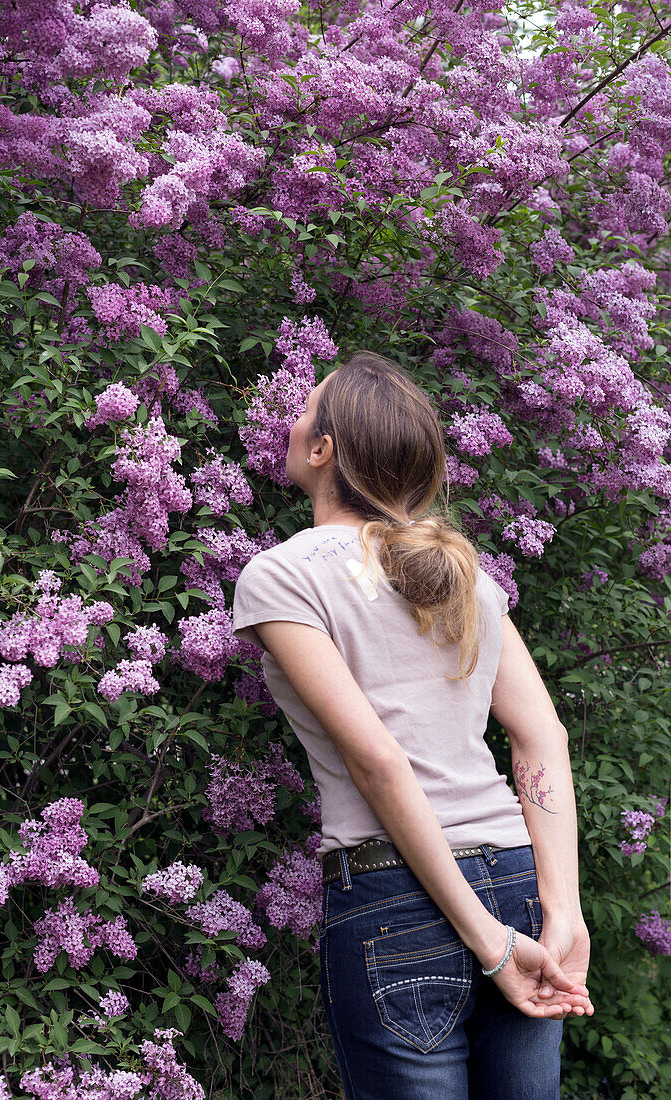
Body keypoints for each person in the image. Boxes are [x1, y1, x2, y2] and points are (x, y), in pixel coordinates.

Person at [231, 351, 593, 1099]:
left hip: (397, 899)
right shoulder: (466, 576)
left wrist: (490, 946)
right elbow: (540, 738)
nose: (293, 421)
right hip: (520, 883)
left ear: (323, 449)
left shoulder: (280, 575)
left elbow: (380, 763)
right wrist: (563, 913)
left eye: (304, 409)